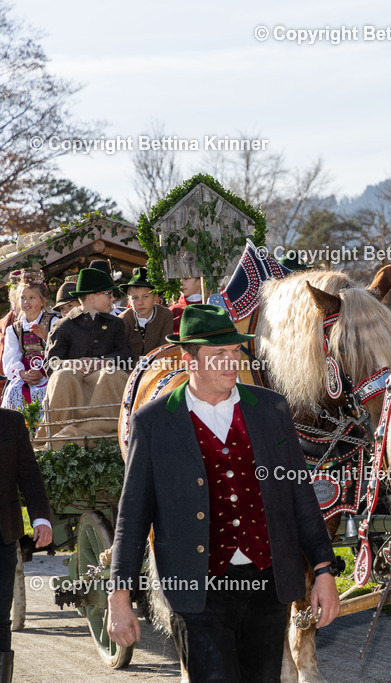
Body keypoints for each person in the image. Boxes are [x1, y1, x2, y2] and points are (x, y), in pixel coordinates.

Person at [108, 304, 340, 681]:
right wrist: (120, 596)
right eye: (219, 355)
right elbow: (133, 516)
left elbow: (300, 496)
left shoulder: (270, 410)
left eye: (235, 352)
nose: (232, 362)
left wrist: (325, 570)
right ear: (190, 361)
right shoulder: (153, 422)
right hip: (197, 590)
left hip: (267, 585)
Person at [41, 268, 132, 446]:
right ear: (92, 297)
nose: (113, 298)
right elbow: (50, 365)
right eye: (109, 294)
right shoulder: (63, 326)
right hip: (73, 392)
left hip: (104, 392)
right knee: (63, 376)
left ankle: (111, 431)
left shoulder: (116, 324)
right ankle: (60, 435)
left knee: (112, 374)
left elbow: (126, 356)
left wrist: (102, 362)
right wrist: (72, 364)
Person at [1, 409, 52, 683]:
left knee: (0, 620)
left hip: (3, 536)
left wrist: (41, 519)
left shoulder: (11, 422)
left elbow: (29, 473)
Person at [1, 274, 57, 411]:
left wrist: (43, 372)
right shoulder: (14, 329)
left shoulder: (53, 322)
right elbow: (11, 357)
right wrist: (22, 373)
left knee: (50, 390)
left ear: (43, 301)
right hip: (25, 373)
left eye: (32, 298)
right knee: (14, 389)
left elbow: (60, 350)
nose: (26, 302)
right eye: (23, 298)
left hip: (49, 372)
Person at [119, 267, 173, 361]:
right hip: (130, 368)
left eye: (146, 297)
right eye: (135, 298)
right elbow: (121, 351)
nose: (140, 302)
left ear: (155, 298)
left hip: (158, 365)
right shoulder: (123, 320)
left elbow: (165, 347)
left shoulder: (165, 315)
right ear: (129, 301)